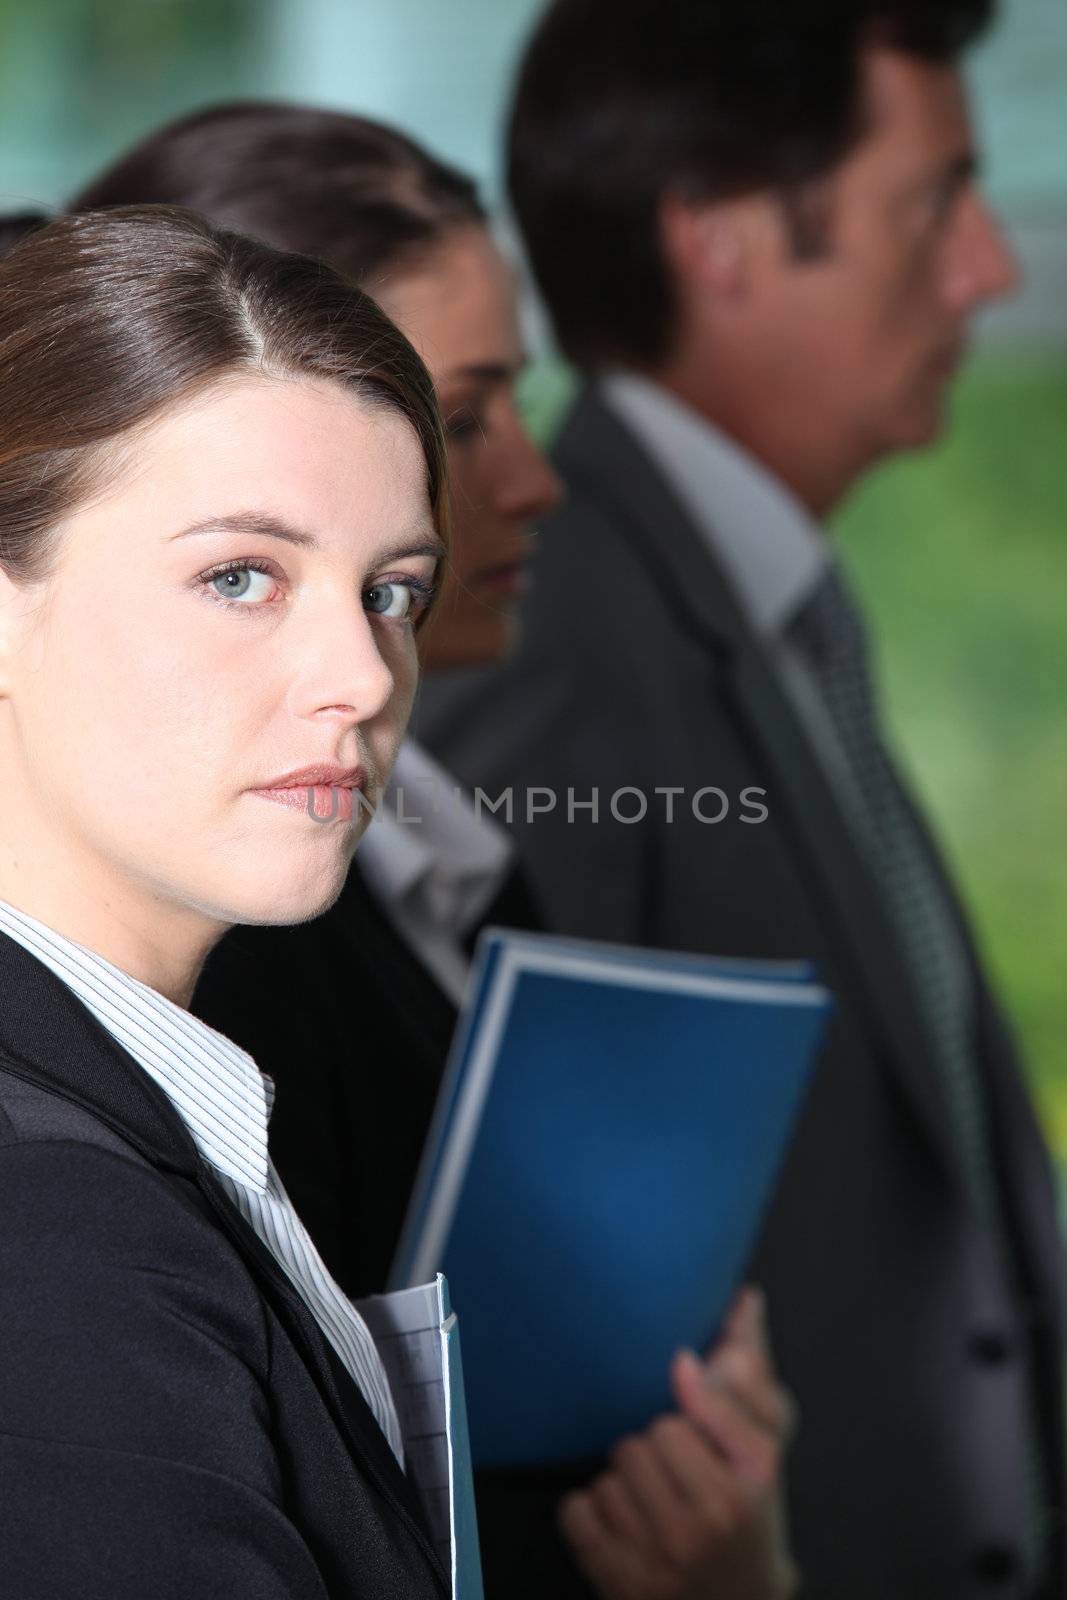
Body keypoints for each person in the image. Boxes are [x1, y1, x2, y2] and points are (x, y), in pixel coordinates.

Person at [72, 106, 800, 1600]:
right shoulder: (126, 1119)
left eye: (393, 583)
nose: (529, 482)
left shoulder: (414, 858)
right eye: (239, 574)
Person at [411, 2, 1067, 1596]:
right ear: (716, 238)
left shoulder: (753, 607)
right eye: (932, 205)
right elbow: (518, 1355)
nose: (989, 269)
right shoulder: (554, 636)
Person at [0, 203, 457, 1596]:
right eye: (240, 577)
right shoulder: (52, 1222)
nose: (366, 679)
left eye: (392, 592)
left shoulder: (128, 1124)